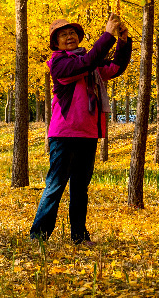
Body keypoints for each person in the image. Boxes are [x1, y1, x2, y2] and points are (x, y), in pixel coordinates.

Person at [30, 14, 132, 246]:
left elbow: (115, 67)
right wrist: (108, 34)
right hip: (65, 134)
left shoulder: (90, 63)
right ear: (55, 43)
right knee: (55, 186)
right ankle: (38, 236)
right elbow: (88, 62)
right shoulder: (60, 64)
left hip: (88, 134)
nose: (69, 37)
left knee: (80, 188)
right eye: (63, 35)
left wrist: (123, 41)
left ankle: (79, 236)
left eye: (73, 33)